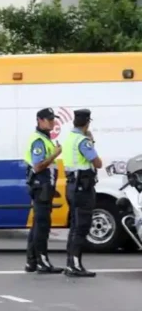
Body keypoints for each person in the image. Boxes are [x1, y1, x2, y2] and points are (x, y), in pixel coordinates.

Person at [62, 109, 103, 277]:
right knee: (82, 227)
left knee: (74, 226)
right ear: (87, 123)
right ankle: (75, 266)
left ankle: (70, 263)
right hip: (82, 188)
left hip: (72, 186)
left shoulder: (69, 139)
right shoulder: (83, 141)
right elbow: (98, 163)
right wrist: (91, 141)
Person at [24, 108, 64, 274]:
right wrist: (55, 155)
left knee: (38, 225)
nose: (52, 122)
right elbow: (38, 166)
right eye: (48, 119)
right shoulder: (38, 141)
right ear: (39, 120)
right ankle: (42, 262)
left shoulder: (45, 138)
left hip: (44, 187)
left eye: (53, 119)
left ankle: (32, 262)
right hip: (41, 187)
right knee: (42, 226)